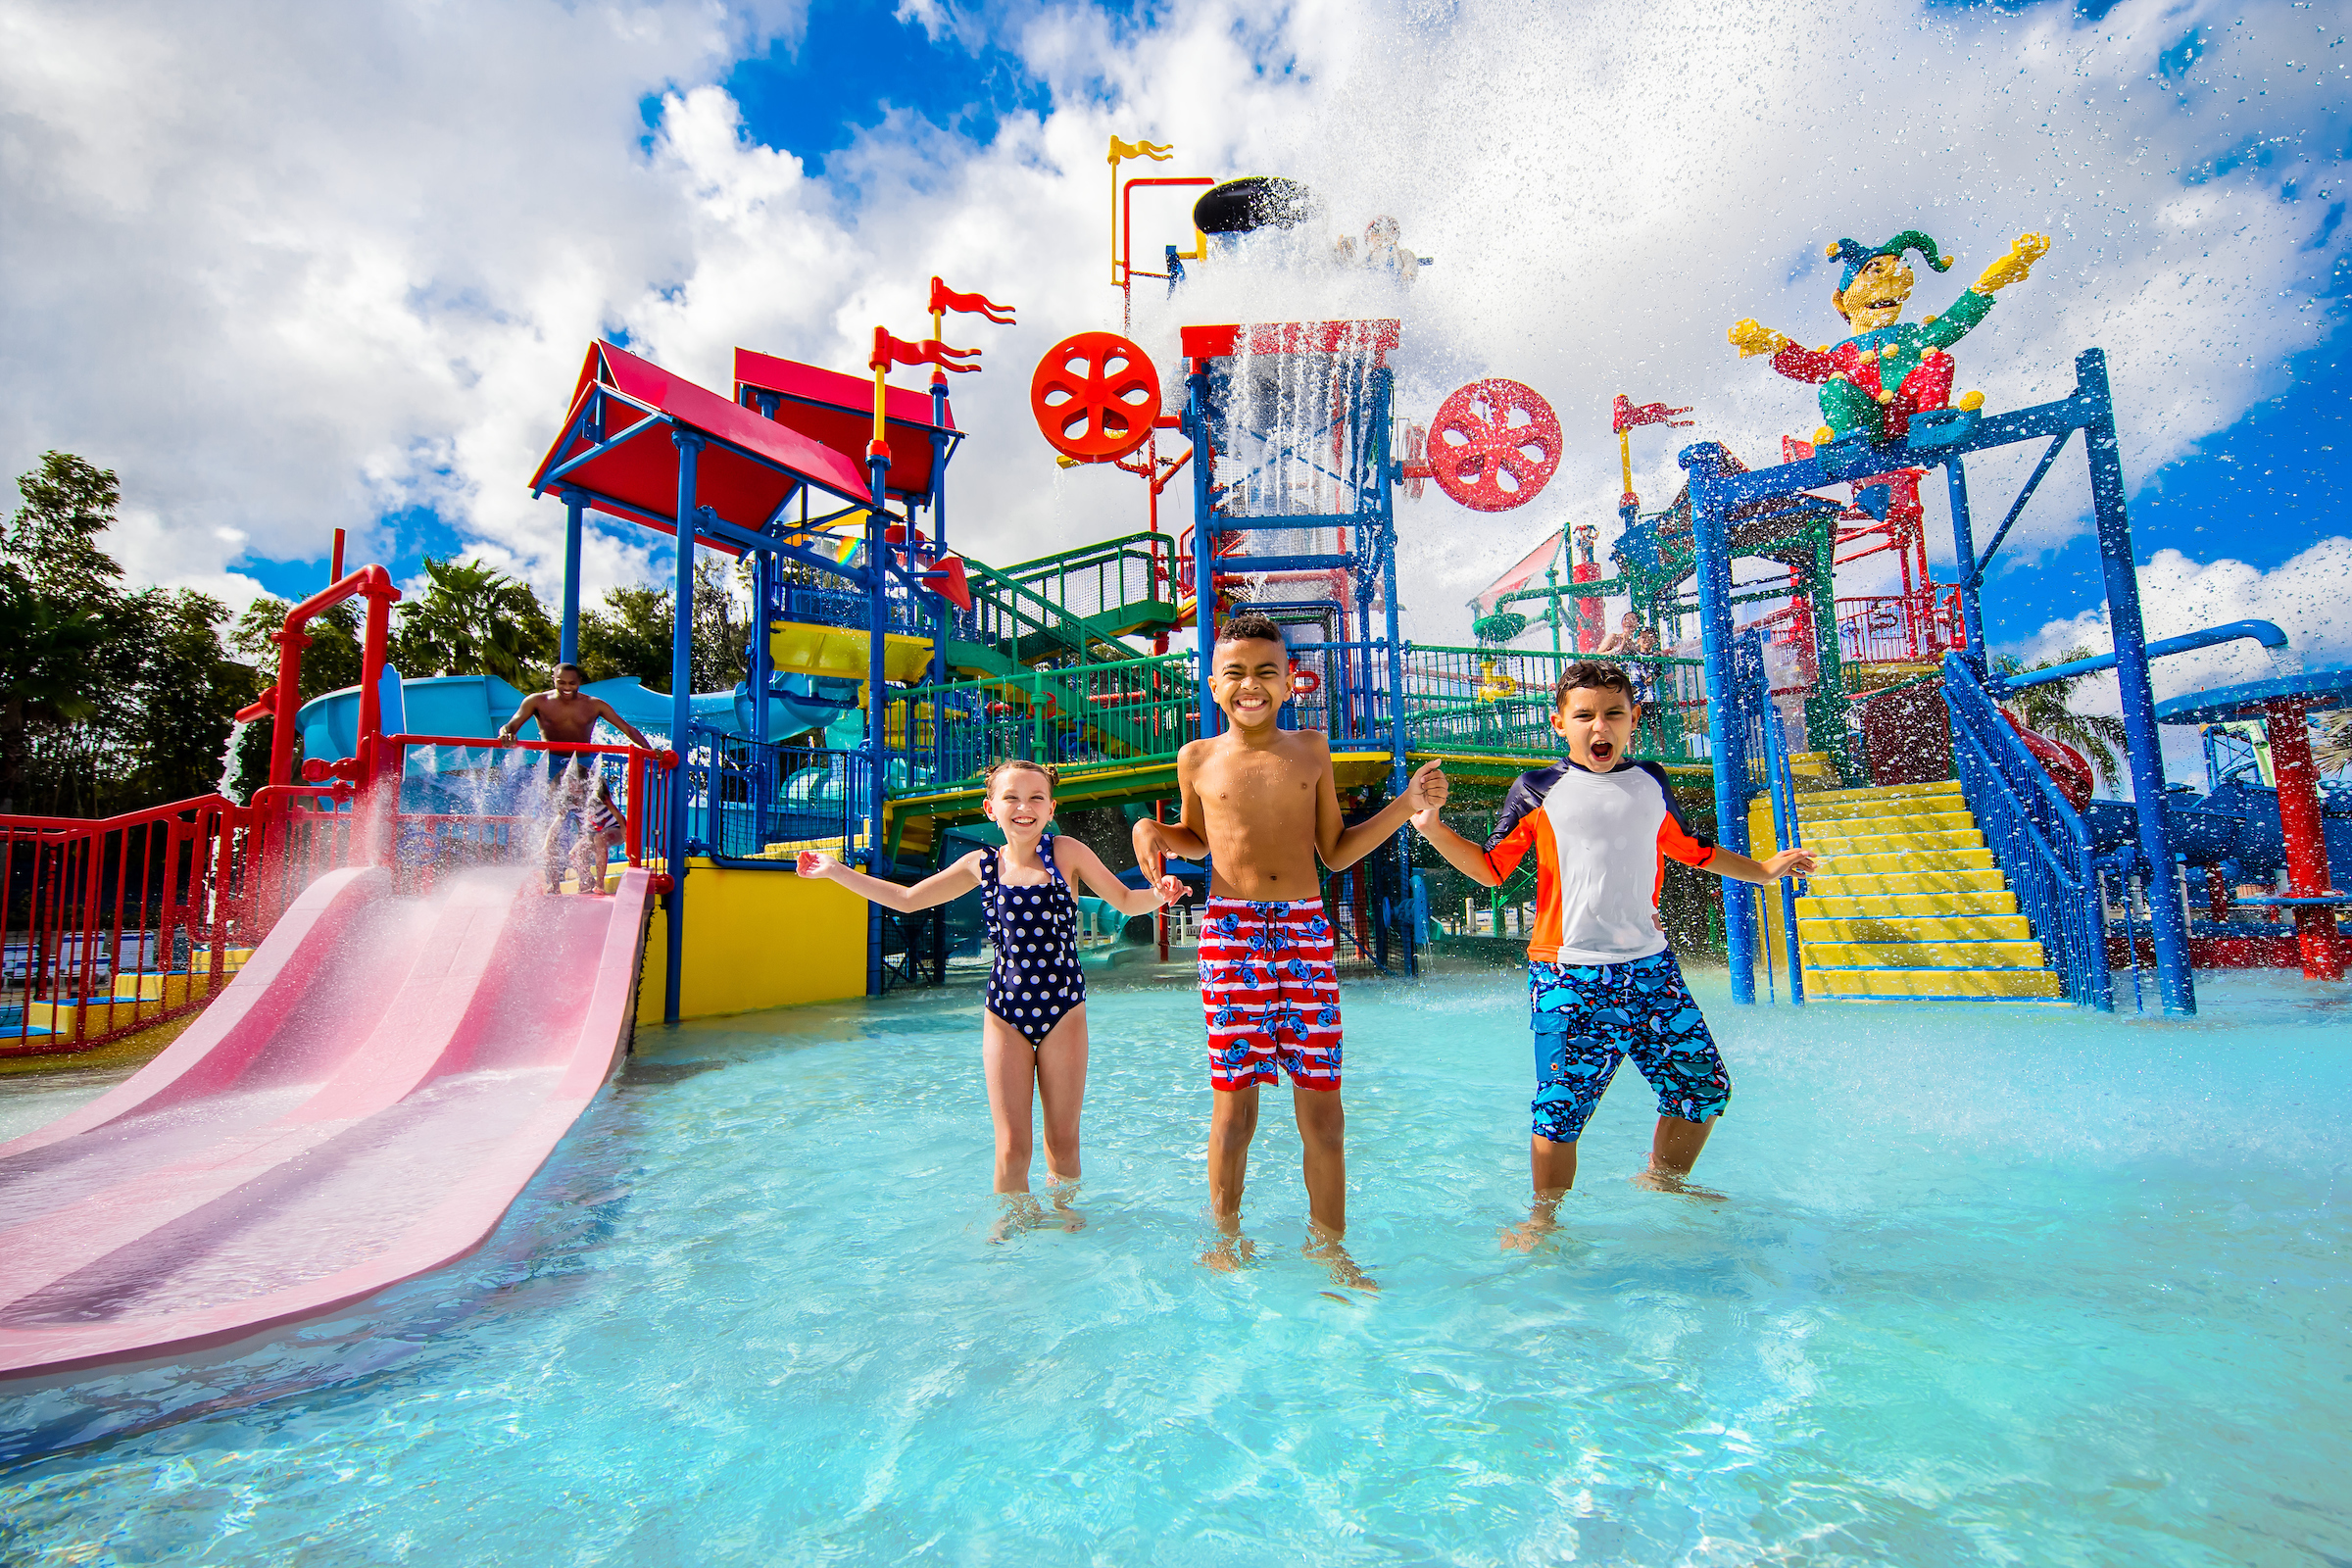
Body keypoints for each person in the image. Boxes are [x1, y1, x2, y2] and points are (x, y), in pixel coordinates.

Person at [1408, 661, 1818, 1249]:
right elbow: (1492, 869)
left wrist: (1760, 871)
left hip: (1651, 968)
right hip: (1567, 972)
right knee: (1561, 1108)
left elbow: (1690, 849)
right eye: (1584, 715)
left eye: (1613, 714)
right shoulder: (1537, 790)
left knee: (1702, 1088)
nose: (1599, 725)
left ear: (1634, 720)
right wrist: (1433, 828)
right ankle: (1543, 1220)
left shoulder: (1651, 781)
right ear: (1559, 724)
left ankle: (1664, 1181)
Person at [1131, 613, 1449, 1280]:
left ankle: (1331, 1250)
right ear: (1214, 684)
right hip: (1231, 932)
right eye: (1236, 673)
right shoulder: (1197, 758)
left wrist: (1403, 806)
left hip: (1304, 929)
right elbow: (1196, 838)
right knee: (1236, 1107)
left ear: (1290, 683)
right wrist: (1149, 832)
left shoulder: (1311, 750)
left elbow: (1334, 851)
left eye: (1266, 672)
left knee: (1324, 1111)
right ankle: (1223, 1238)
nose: (1251, 685)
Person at [800, 760, 1184, 1209]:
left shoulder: (1067, 853)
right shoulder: (979, 865)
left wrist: (1160, 895)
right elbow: (905, 900)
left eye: (1036, 797)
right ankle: (1011, 1236)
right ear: (990, 809)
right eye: (1012, 798)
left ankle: (1068, 1226)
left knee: (1063, 1143)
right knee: (1011, 1147)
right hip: (1005, 1014)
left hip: (1064, 1011)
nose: (1024, 807)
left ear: (1051, 807)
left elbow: (1124, 899)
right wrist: (835, 871)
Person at [497, 663, 660, 777]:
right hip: (550, 762)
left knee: (586, 811)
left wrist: (650, 751)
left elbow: (628, 729)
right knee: (548, 810)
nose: (567, 687)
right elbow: (511, 726)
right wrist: (506, 734)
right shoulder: (537, 701)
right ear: (553, 680)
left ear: (579, 682)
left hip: (582, 762)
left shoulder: (595, 704)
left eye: (572, 683)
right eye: (561, 682)